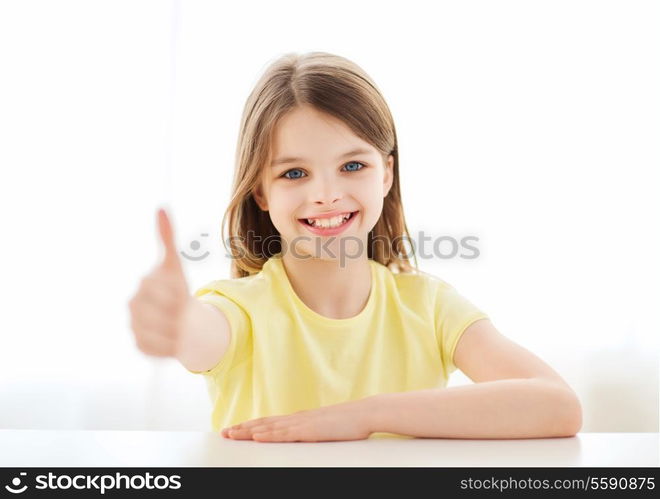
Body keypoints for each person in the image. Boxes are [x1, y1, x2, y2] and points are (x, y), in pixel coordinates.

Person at [128, 52, 582, 442]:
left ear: (385, 174)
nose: (325, 194)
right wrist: (175, 320)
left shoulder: (429, 306)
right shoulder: (238, 311)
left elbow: (558, 406)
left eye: (351, 165)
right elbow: (197, 332)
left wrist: (365, 416)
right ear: (261, 193)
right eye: (293, 173)